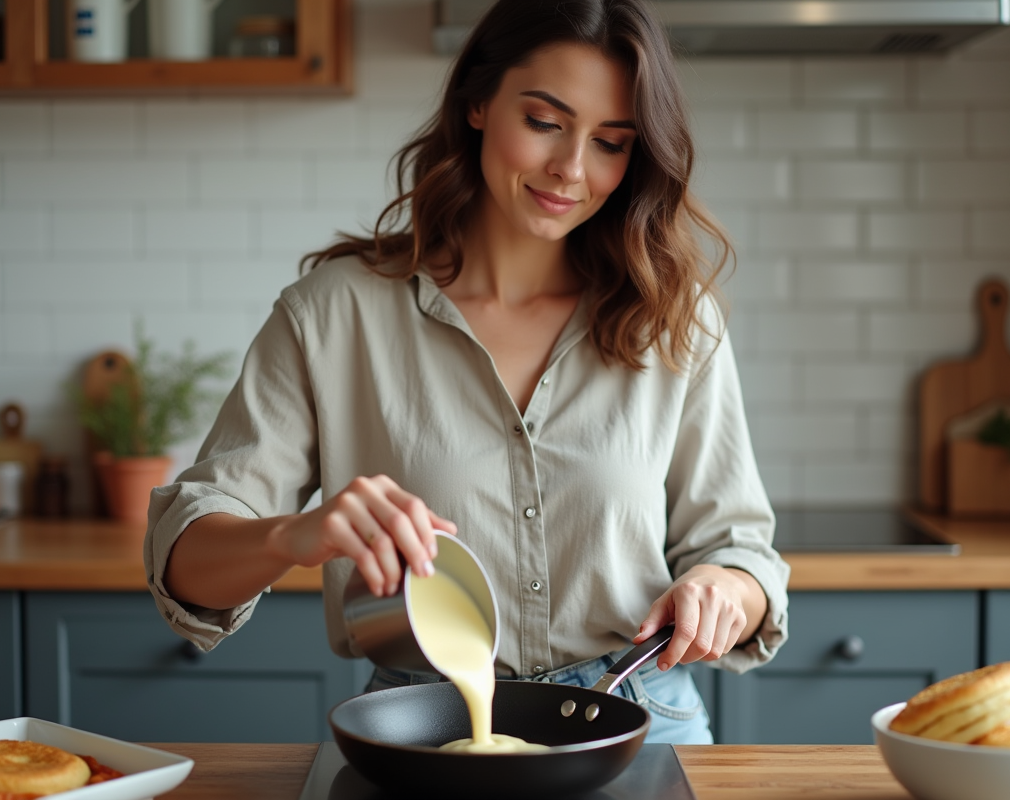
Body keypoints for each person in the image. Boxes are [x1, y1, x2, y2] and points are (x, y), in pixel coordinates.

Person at [144, 0, 789, 745]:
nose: (571, 169)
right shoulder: (332, 314)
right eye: (544, 122)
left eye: (611, 143)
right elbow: (184, 567)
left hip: (636, 713)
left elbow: (742, 553)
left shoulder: (673, 317)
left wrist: (724, 588)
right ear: (477, 102)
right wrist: (294, 535)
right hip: (422, 723)